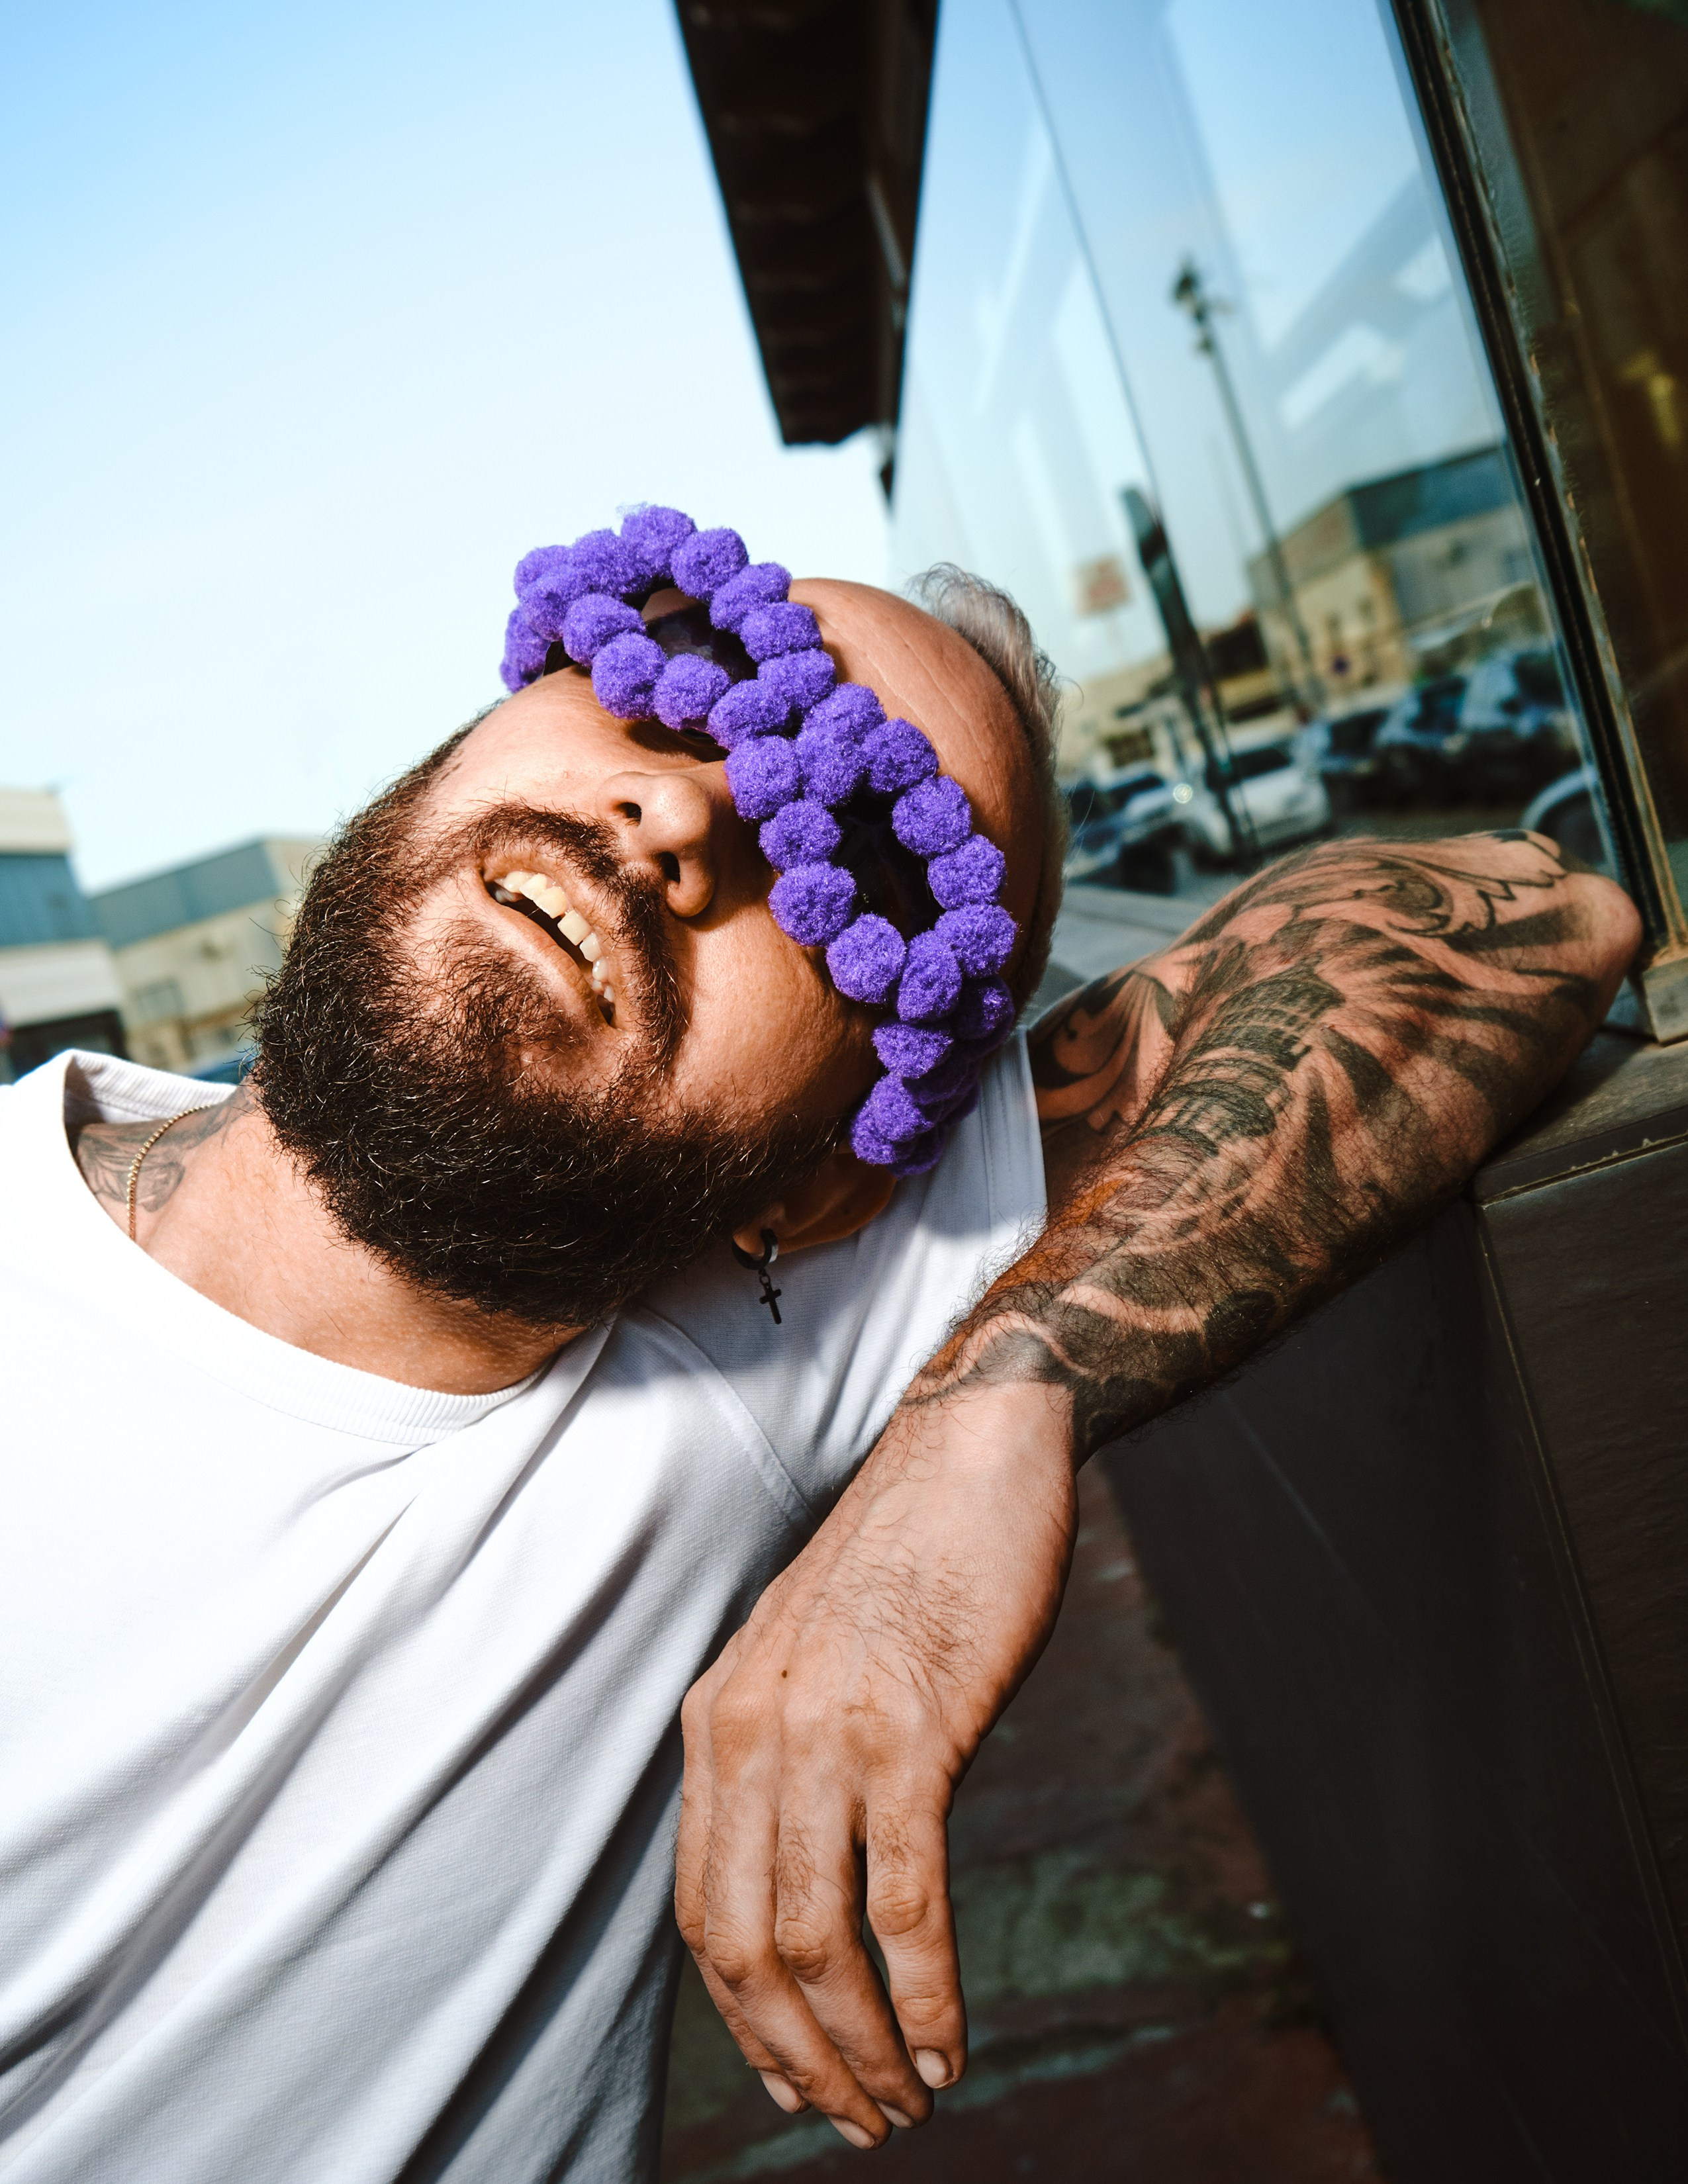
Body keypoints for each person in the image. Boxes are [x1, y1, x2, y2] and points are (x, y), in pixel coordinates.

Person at [0, 507, 1635, 2183]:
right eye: (677, 670)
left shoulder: (753, 1344)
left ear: (829, 1187)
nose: (686, 806)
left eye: (862, 853)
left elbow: (1513, 909)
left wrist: (986, 1416)